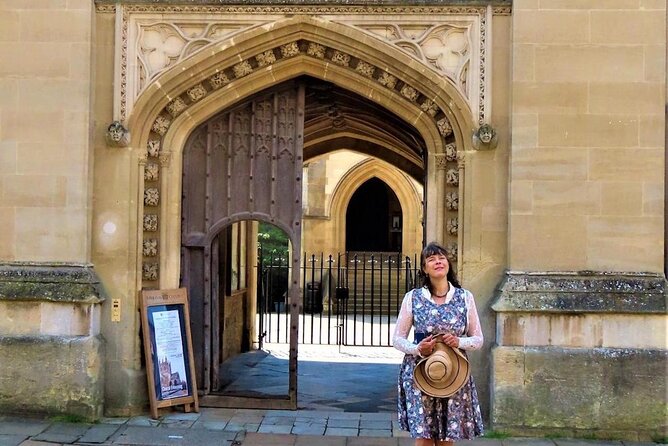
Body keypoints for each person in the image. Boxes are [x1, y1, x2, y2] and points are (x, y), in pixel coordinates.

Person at [393, 242, 484, 445]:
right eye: (431, 259)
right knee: (423, 438)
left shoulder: (465, 297)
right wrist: (417, 348)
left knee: (446, 438)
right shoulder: (413, 298)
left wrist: (458, 341)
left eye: (441, 258)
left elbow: (478, 339)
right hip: (420, 373)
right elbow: (397, 338)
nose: (438, 262)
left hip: (453, 372)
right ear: (425, 269)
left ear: (448, 264)